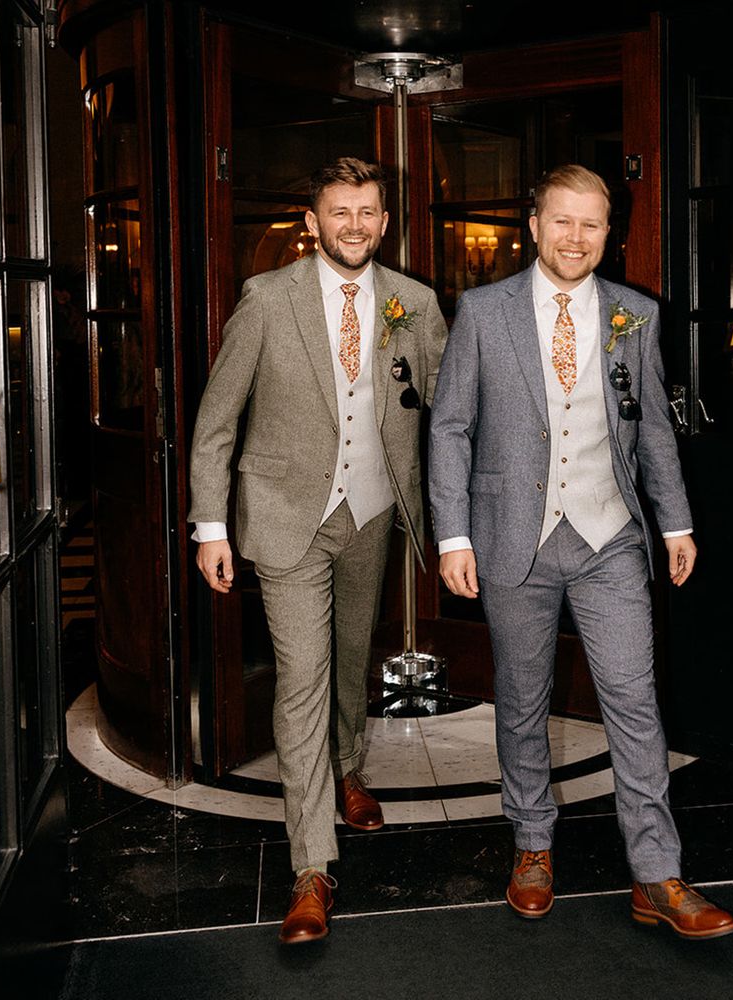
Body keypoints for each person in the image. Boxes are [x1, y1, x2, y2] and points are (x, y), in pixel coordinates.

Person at [428, 164, 733, 939]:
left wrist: (675, 524)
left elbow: (654, 429)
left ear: (610, 233)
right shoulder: (482, 311)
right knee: (524, 702)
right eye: (561, 221)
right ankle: (532, 843)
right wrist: (453, 534)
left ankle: (656, 872)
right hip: (511, 540)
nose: (575, 238)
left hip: (610, 540)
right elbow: (450, 427)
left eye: (591, 224)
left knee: (634, 700)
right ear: (533, 226)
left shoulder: (634, 313)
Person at [188, 157, 447, 944]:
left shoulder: (416, 303)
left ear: (385, 220)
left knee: (349, 654)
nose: (356, 225)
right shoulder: (268, 300)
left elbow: (450, 405)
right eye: (340, 212)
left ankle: (347, 766)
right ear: (312, 221)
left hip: (371, 513)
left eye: (369, 212)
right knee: (301, 675)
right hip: (283, 514)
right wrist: (211, 526)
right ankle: (311, 868)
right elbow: (217, 420)